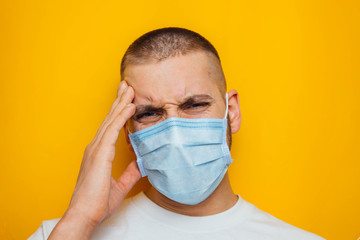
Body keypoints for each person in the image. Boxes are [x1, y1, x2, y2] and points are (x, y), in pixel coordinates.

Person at [28, 27, 326, 240]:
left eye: (194, 105)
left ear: (231, 112)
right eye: (148, 113)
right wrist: (80, 219)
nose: (175, 131)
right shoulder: (61, 233)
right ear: (128, 133)